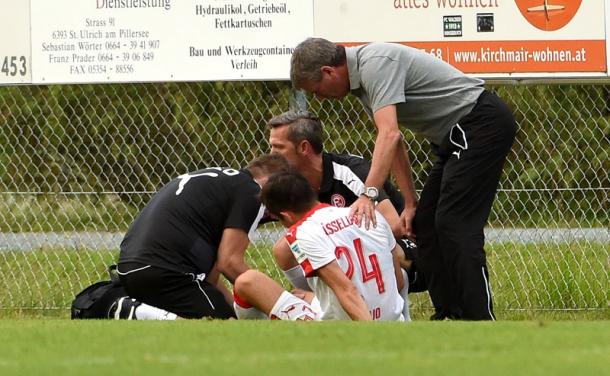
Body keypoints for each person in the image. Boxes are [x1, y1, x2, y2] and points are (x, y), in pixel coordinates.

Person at [290, 38, 517, 320]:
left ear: (328, 72)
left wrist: (368, 193)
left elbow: (389, 135)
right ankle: (449, 315)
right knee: (425, 223)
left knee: (455, 224)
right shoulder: (362, 84)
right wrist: (410, 203)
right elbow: (394, 142)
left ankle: (480, 320)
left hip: (481, 123)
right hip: (454, 138)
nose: (320, 97)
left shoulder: (375, 64)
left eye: (317, 90)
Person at [111, 154, 290, 320]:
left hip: (130, 269)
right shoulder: (252, 191)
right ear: (269, 183)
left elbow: (211, 278)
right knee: (223, 326)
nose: (274, 214)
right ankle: (138, 313)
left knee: (226, 315)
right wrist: (282, 305)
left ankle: (140, 311)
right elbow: (230, 263)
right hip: (167, 272)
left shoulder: (222, 182)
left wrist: (235, 311)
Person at [266, 109, 425, 294]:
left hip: (406, 253)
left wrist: (335, 230)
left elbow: (394, 225)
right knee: (284, 250)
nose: (271, 154)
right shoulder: (289, 184)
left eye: (278, 147)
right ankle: (321, 300)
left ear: (303, 147)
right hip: (346, 257)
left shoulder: (350, 170)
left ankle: (390, 309)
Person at [233, 170, 406, 321]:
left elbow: (347, 290)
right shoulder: (368, 214)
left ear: (285, 215)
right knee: (304, 295)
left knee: (247, 281)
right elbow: (398, 281)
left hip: (349, 326)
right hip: (394, 320)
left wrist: (373, 337)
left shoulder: (301, 233)